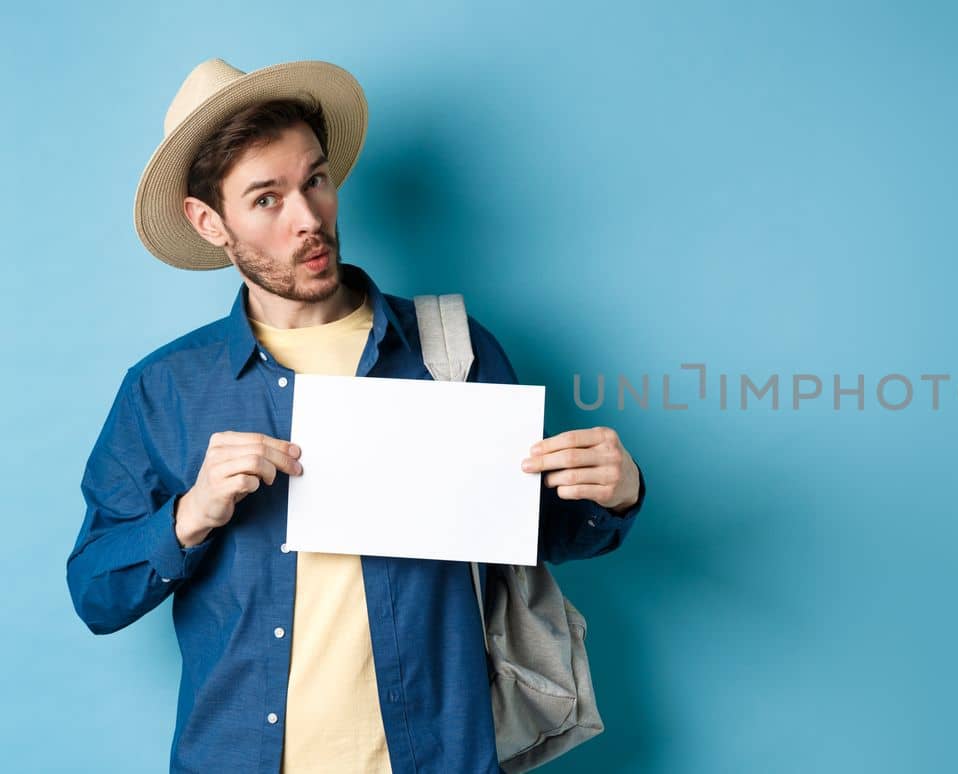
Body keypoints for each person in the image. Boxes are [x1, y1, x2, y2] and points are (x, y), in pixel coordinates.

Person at [65, 58, 645, 773]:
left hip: (434, 757)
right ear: (209, 221)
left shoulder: (450, 351)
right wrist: (192, 514)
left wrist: (614, 495)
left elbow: (532, 531)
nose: (308, 220)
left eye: (314, 180)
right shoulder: (166, 390)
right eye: (267, 199)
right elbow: (96, 593)